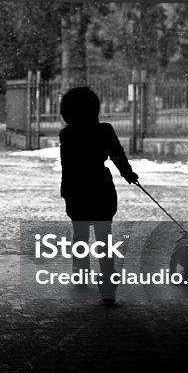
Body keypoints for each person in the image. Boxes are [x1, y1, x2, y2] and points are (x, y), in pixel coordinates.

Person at [59, 86, 138, 304]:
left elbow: (68, 166)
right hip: (101, 188)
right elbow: (118, 155)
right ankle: (107, 288)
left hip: (77, 190)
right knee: (104, 238)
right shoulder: (105, 130)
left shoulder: (67, 134)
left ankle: (81, 272)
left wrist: (66, 193)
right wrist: (128, 174)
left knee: (81, 235)